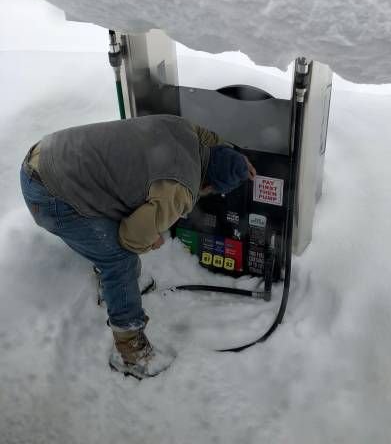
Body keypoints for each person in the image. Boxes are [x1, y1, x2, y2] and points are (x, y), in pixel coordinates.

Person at [20, 114, 256, 379]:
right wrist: (152, 237)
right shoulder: (181, 188)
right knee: (120, 258)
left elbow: (212, 140)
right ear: (209, 185)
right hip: (51, 193)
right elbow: (131, 238)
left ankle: (116, 288)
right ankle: (131, 352)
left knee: (118, 205)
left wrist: (235, 159)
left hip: (48, 154)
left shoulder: (184, 129)